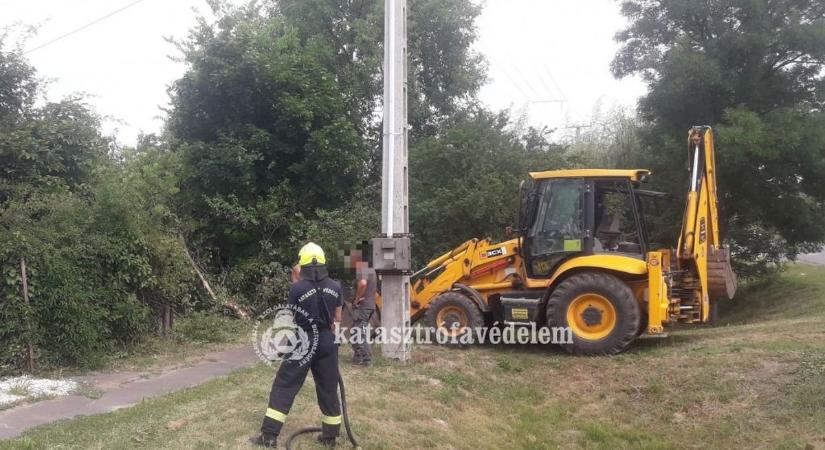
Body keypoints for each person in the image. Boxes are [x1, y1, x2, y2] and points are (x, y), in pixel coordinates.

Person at [251, 242, 344, 448]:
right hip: (327, 341)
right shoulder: (336, 286)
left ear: (302, 263)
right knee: (329, 387)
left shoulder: (297, 288)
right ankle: (330, 438)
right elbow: (337, 319)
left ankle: (269, 437)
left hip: (304, 340)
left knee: (285, 385)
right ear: (322, 261)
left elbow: (292, 317)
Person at [350, 249, 377, 366]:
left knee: (359, 332)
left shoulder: (362, 268)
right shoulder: (371, 269)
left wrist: (356, 300)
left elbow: (363, 283)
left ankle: (367, 360)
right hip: (370, 305)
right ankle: (358, 356)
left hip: (363, 306)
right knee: (355, 331)